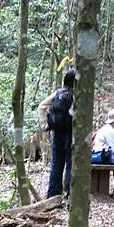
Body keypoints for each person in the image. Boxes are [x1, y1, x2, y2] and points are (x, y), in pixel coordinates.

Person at [38, 69, 75, 198]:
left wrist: (45, 125)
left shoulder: (58, 93)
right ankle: (70, 194)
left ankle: (53, 195)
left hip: (57, 133)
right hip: (72, 133)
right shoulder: (78, 95)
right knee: (71, 164)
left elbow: (42, 106)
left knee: (56, 164)